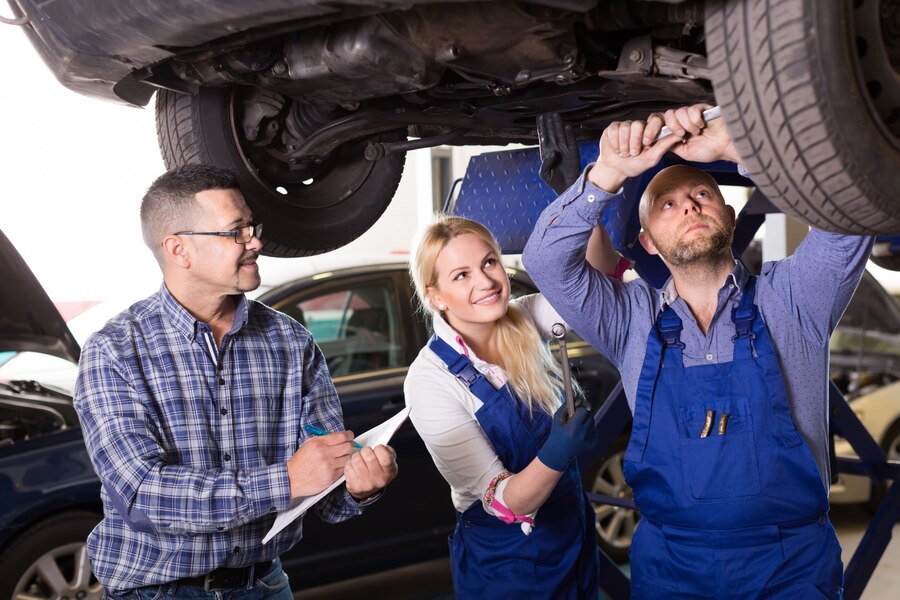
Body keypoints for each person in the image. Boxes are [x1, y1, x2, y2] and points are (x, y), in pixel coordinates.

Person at [523, 104, 873, 598]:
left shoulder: (794, 297)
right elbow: (546, 261)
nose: (688, 206)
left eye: (702, 194)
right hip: (671, 568)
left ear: (728, 216)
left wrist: (736, 147)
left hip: (789, 568)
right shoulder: (629, 320)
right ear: (646, 242)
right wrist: (609, 173)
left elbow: (851, 210)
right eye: (667, 204)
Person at [73, 164, 398, 597]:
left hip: (264, 584)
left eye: (252, 226)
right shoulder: (114, 351)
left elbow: (326, 491)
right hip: (159, 591)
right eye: (236, 232)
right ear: (179, 249)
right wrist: (284, 480)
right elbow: (142, 495)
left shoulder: (290, 341)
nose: (256, 242)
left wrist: (358, 487)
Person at [404, 215, 600, 599]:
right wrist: (557, 453)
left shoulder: (524, 318)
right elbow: (503, 501)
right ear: (435, 295)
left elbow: (595, 283)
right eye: (461, 275)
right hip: (507, 561)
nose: (486, 282)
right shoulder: (430, 380)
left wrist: (585, 207)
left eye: (489, 262)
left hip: (572, 531)